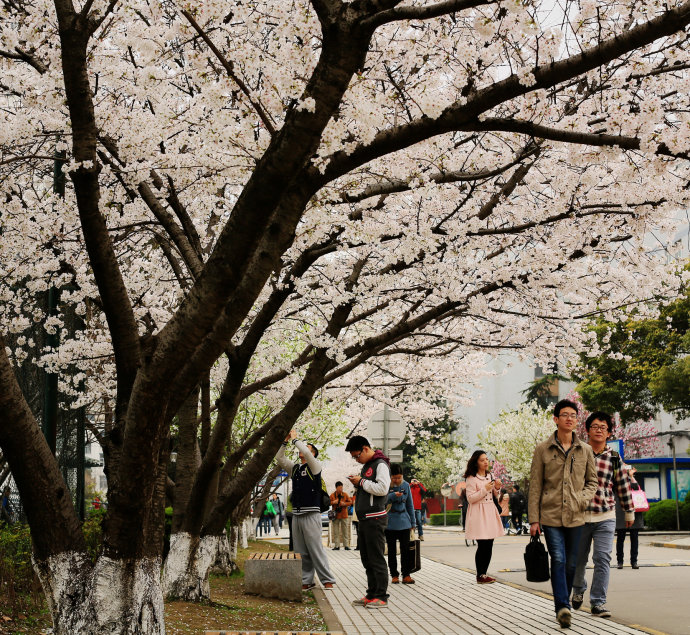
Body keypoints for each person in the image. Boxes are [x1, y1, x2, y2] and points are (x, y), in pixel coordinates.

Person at [529, 398, 598, 629]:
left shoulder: (585, 450)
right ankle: (562, 606)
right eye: (565, 415)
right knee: (557, 559)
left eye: (573, 415)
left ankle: (564, 603)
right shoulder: (542, 449)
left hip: (576, 515)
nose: (570, 419)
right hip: (550, 515)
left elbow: (592, 482)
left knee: (571, 564)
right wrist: (534, 519)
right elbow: (536, 486)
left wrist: (581, 499)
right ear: (556, 419)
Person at [571, 411, 634, 619]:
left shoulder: (614, 457)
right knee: (579, 559)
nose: (599, 430)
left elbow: (622, 485)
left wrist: (628, 510)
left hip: (605, 515)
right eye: (595, 427)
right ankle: (578, 588)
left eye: (604, 428)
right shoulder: (577, 453)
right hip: (579, 516)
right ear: (587, 430)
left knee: (602, 558)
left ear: (608, 433)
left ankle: (598, 602)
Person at [276, 429, 336, 590]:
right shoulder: (295, 469)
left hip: (311, 513)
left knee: (315, 548)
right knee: (300, 550)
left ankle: (327, 579)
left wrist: (296, 441)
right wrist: (285, 441)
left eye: (308, 448)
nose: (304, 450)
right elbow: (279, 458)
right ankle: (306, 580)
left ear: (313, 454)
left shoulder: (315, 467)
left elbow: (307, 455)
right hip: (297, 513)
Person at [345, 435, 391, 609]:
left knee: (376, 558)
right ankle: (371, 593)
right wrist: (359, 483)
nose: (357, 460)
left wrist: (361, 481)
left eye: (357, 456)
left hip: (375, 518)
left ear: (365, 448)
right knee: (367, 559)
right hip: (364, 519)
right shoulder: (367, 465)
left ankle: (381, 596)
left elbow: (382, 489)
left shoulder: (380, 464)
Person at [464, 450, 505, 583]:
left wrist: (497, 488)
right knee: (482, 544)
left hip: (490, 511)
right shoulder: (471, 478)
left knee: (489, 544)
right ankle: (480, 575)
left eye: (487, 459)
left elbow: (494, 495)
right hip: (478, 512)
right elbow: (470, 498)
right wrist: (485, 489)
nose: (486, 462)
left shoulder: (490, 475)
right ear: (476, 462)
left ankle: (484, 573)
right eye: (482, 460)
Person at [385, 463, 416, 584]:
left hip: (404, 521)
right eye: (394, 478)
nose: (397, 480)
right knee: (391, 550)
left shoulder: (406, 485)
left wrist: (413, 522)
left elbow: (410, 504)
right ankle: (394, 575)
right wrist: (392, 495)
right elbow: (381, 501)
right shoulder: (386, 485)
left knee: (405, 550)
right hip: (390, 522)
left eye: (399, 477)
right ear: (390, 476)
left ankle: (406, 574)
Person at [616, 465, 645, 570]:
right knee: (620, 539)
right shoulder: (617, 479)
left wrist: (631, 476)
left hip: (634, 514)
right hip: (621, 513)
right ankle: (620, 561)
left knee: (634, 539)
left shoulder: (632, 480)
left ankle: (634, 561)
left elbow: (636, 488)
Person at [330, 481, 353, 550]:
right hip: (335, 515)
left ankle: (346, 545)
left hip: (344, 515)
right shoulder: (332, 495)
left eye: (342, 488)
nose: (341, 489)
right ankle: (337, 546)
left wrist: (344, 504)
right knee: (336, 531)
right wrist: (333, 502)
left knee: (345, 531)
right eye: (340, 488)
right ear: (336, 488)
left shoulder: (345, 494)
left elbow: (350, 502)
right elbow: (327, 502)